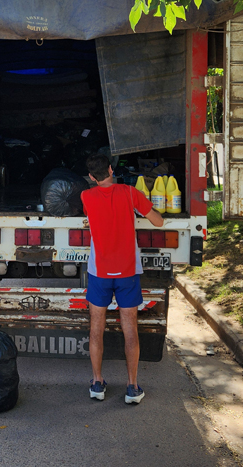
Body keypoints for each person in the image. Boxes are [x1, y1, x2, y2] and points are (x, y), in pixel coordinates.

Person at [81, 154, 164, 404]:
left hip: (99, 273)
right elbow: (158, 222)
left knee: (96, 329)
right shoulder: (129, 192)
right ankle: (132, 387)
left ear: (91, 177)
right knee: (130, 330)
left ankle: (97, 383)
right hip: (127, 272)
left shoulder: (86, 196)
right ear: (110, 169)